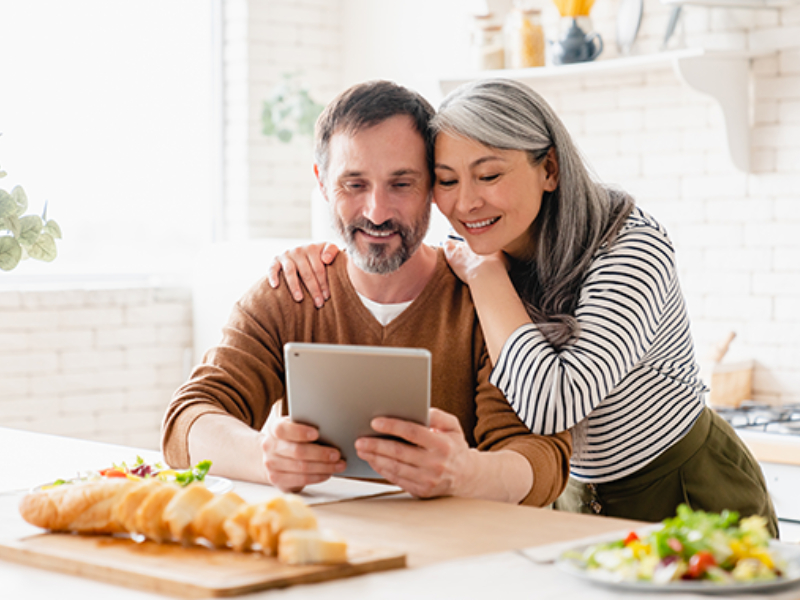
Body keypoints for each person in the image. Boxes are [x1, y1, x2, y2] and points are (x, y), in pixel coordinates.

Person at [270, 78, 779, 535]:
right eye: (446, 181)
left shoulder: (629, 246)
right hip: (570, 498)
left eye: (488, 175)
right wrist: (319, 256)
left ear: (549, 169)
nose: (466, 203)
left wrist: (487, 277)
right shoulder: (482, 245)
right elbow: (389, 253)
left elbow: (551, 405)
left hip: (686, 489)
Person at [161, 80, 571, 507]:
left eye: (401, 184)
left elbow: (541, 458)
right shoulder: (290, 292)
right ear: (322, 183)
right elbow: (186, 420)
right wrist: (265, 457)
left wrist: (465, 474)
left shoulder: (488, 300)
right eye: (354, 185)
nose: (376, 212)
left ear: (434, 186)